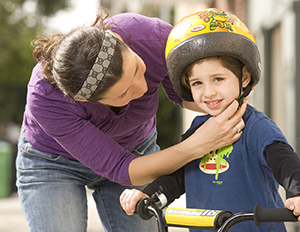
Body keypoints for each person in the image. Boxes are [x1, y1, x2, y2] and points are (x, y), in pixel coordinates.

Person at [15, 8, 247, 232]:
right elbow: (121, 168)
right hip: (54, 162)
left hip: (136, 147)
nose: (143, 87)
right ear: (84, 100)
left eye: (137, 69)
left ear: (120, 40)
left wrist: (231, 88)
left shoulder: (150, 37)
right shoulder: (46, 98)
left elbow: (188, 95)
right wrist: (197, 145)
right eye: (122, 94)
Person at [120, 8, 300, 232]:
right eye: (197, 83)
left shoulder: (255, 127)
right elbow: (179, 177)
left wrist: (297, 192)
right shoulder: (197, 131)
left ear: (244, 78)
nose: (208, 92)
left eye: (218, 79)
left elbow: (284, 160)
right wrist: (149, 195)